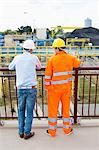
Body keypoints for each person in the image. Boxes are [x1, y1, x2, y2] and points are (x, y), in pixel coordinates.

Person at [44, 38, 80, 137]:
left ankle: (52, 131)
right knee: (66, 110)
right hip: (66, 89)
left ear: (57, 48)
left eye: (54, 48)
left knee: (53, 110)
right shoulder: (70, 58)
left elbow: (47, 75)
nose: (53, 50)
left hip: (54, 90)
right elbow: (78, 63)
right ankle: (67, 130)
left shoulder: (52, 59)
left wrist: (47, 87)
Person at [9, 39, 42, 139]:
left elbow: (10, 67)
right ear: (31, 49)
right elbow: (39, 67)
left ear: (23, 48)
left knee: (21, 110)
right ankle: (27, 132)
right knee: (29, 111)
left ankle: (20, 131)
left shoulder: (17, 57)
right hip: (31, 88)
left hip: (21, 88)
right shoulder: (34, 58)